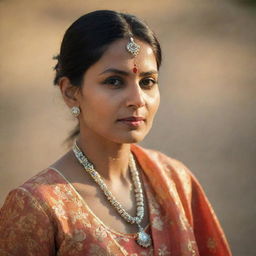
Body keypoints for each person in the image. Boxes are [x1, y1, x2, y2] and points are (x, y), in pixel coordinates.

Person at [0, 10, 232, 256]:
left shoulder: (176, 181)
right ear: (70, 92)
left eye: (147, 82)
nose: (137, 100)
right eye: (114, 82)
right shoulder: (38, 206)